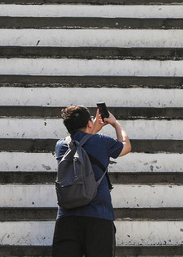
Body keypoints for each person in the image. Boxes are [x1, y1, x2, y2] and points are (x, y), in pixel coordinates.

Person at [52, 106, 131, 257]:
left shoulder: (61, 146)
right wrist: (115, 124)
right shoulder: (102, 142)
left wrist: (91, 127)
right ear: (89, 123)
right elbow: (126, 146)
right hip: (98, 216)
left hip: (67, 217)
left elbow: (80, 145)